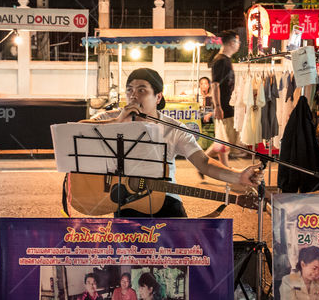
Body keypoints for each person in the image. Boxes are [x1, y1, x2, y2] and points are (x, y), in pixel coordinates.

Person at [83, 68, 262, 218]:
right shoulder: (111, 118)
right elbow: (79, 132)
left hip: (166, 201)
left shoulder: (173, 128)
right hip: (124, 201)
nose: (133, 96)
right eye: (129, 90)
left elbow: (204, 162)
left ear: (158, 97)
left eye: (141, 90)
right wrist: (117, 123)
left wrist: (238, 176)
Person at [210, 31, 240, 168]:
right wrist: (217, 107)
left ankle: (225, 168)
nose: (239, 45)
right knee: (226, 141)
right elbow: (215, 84)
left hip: (226, 105)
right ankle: (204, 162)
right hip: (223, 107)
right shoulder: (221, 60)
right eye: (238, 42)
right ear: (231, 43)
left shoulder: (225, 59)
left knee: (222, 141)